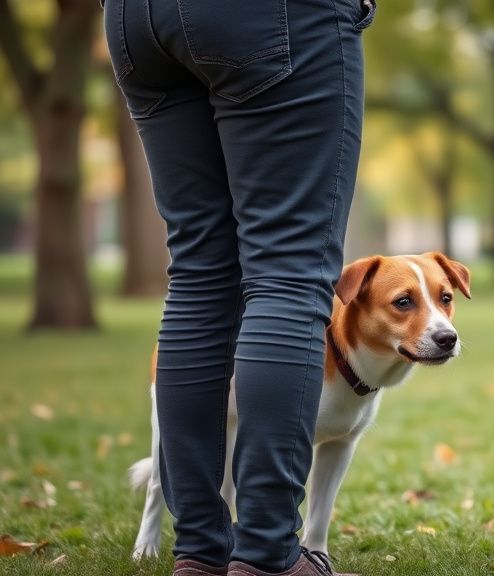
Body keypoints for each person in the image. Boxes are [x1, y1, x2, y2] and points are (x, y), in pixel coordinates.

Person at [103, 0, 374, 574]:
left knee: (200, 275)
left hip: (134, 20)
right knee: (289, 274)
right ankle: (268, 554)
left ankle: (201, 551)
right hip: (271, 17)